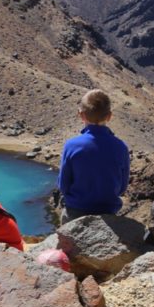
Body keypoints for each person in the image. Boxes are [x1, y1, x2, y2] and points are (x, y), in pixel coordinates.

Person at [57, 89, 130, 223]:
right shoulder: (121, 147)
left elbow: (63, 185)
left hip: (76, 211)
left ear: (81, 115)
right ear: (109, 116)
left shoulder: (72, 145)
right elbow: (122, 187)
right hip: (108, 212)